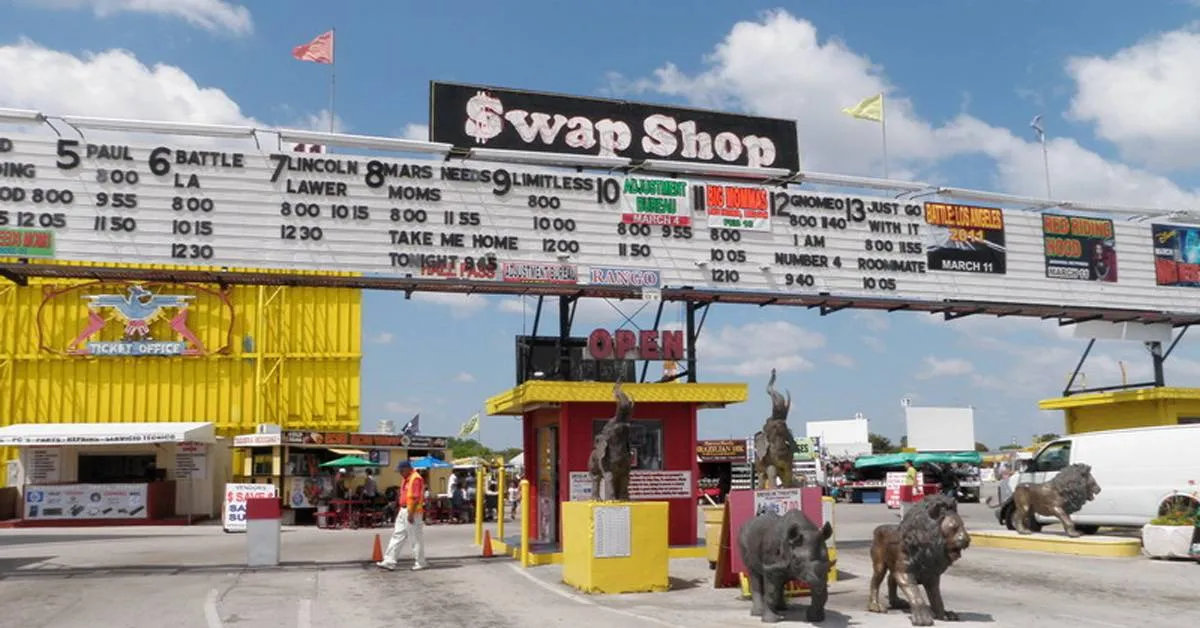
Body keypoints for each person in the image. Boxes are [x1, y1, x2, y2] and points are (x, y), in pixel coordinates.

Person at [377, 459, 429, 571]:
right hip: (404, 510)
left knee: (415, 538)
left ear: (406, 469)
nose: (400, 473)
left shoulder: (415, 479)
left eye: (401, 471)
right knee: (397, 535)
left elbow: (415, 498)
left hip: (412, 511)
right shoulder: (407, 479)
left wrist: (410, 513)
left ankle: (420, 562)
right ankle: (389, 561)